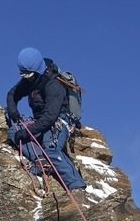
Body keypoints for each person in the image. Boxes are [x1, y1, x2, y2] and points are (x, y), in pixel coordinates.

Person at [6, 47, 86, 191]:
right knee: (13, 132)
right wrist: (13, 110)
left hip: (60, 120)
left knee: (51, 147)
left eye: (27, 74)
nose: (25, 78)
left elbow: (50, 117)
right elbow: (13, 94)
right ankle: (41, 159)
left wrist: (28, 131)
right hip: (42, 120)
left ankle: (77, 186)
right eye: (22, 74)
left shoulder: (53, 85)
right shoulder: (31, 80)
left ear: (36, 70)